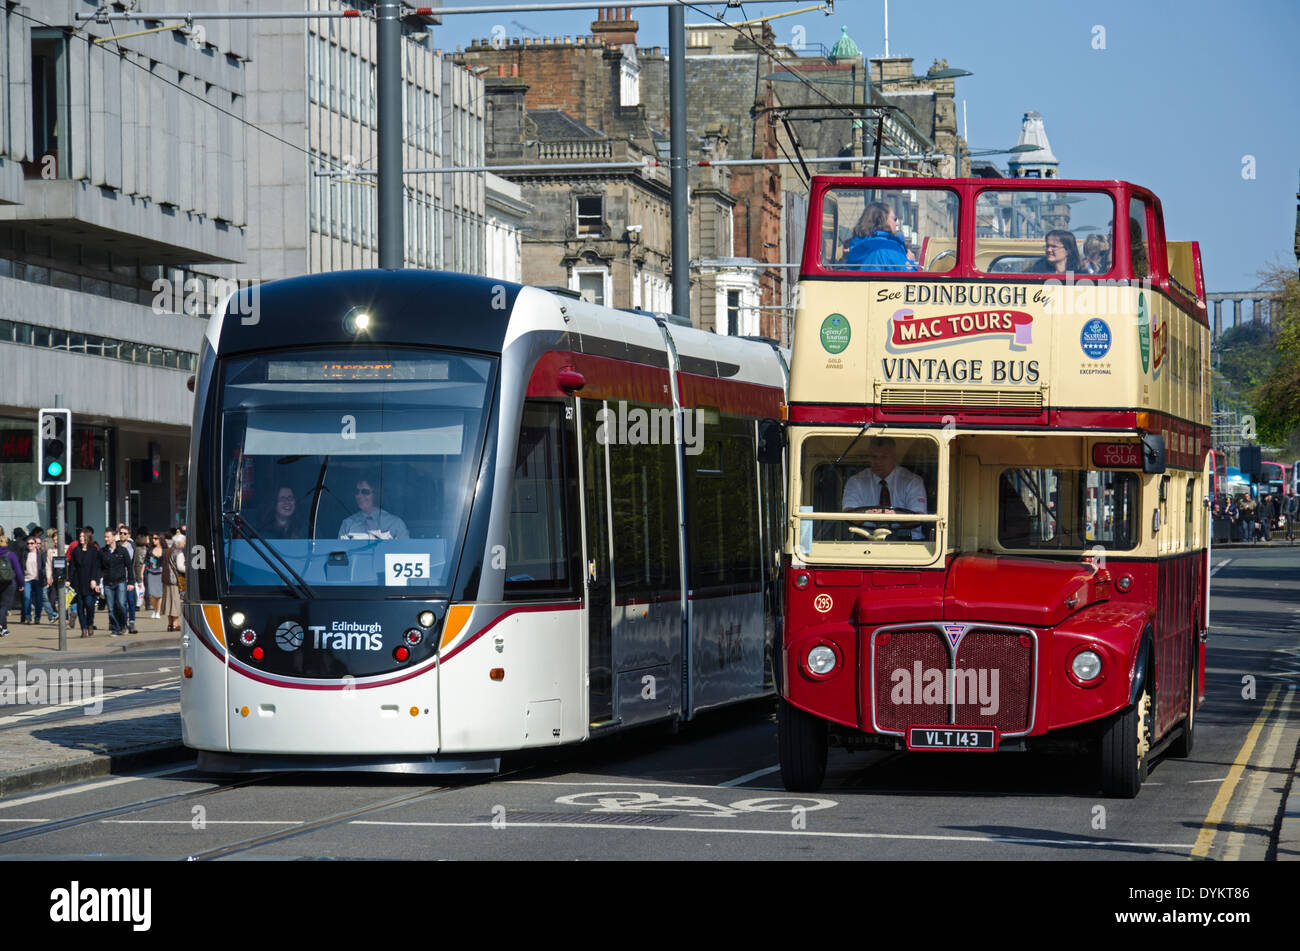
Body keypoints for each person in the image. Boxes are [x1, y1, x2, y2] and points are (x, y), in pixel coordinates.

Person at [841, 437, 928, 539]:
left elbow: (918, 517)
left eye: (883, 457)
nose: (878, 462)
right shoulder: (856, 481)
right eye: (874, 457)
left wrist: (892, 515)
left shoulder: (912, 481)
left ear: (894, 458)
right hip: (865, 539)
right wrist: (867, 513)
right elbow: (848, 514)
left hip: (907, 540)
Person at [842, 202, 919, 271]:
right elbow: (912, 278)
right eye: (894, 219)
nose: (896, 224)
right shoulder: (888, 248)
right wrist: (910, 263)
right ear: (882, 220)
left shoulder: (856, 245)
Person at [339, 479, 409, 539]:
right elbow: (340, 553)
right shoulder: (347, 524)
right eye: (357, 492)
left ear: (377, 493)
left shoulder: (395, 524)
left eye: (365, 492)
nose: (359, 496)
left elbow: (404, 553)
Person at [97, 527, 132, 636]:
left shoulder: (122, 550)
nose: (105, 539)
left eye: (108, 537)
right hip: (108, 583)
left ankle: (123, 625)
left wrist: (131, 582)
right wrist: (97, 582)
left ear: (113, 537)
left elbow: (129, 567)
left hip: (120, 581)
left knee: (121, 604)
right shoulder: (103, 552)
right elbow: (99, 568)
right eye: (105, 537)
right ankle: (115, 628)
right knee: (111, 608)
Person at [68, 527, 101, 637]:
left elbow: (96, 567)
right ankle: (83, 629)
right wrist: (69, 580)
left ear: (88, 537)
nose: (81, 538)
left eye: (83, 536)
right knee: (80, 607)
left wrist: (94, 580)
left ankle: (90, 623)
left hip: (89, 582)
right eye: (80, 536)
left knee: (89, 604)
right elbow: (72, 567)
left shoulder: (93, 550)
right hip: (78, 583)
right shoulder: (76, 550)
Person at [161, 533, 185, 632]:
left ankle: (170, 624)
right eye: (184, 541)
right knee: (175, 602)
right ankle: (175, 624)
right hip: (175, 580)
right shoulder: (178, 552)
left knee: (168, 602)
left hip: (166, 579)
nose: (185, 543)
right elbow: (180, 567)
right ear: (179, 542)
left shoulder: (168, 551)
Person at [0, 534, 21, 637]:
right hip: (9, 583)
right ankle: (1, 625)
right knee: (4, 606)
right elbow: (18, 570)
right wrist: (21, 583)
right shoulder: (11, 555)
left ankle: (4, 629)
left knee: (1, 607)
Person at [145, 534, 164, 617]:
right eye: (153, 538)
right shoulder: (150, 550)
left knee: (159, 594)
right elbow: (145, 562)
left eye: (156, 538)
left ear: (160, 539)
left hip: (161, 573)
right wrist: (142, 572)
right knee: (151, 594)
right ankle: (155, 609)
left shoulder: (164, 550)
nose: (153, 540)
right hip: (151, 573)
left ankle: (158, 611)